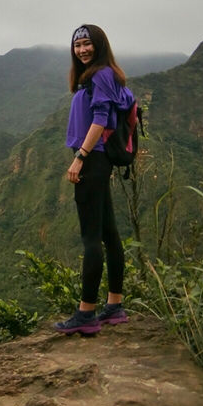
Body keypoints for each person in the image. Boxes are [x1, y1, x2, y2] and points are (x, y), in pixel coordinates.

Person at [54, 24, 134, 335]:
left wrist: (80, 157)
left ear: (99, 45)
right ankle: (114, 306)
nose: (82, 50)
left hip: (93, 159)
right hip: (99, 160)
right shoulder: (99, 76)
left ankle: (86, 312)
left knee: (91, 238)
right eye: (77, 45)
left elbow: (100, 119)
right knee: (109, 233)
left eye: (87, 44)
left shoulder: (100, 75)